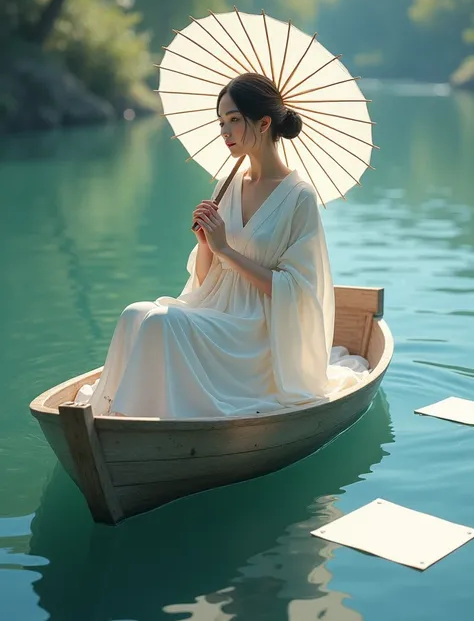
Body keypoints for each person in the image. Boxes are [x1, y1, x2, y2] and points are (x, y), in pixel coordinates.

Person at [77, 73, 369, 418]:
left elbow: (298, 290)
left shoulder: (299, 197)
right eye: (221, 122)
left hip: (257, 329)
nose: (224, 132)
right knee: (135, 315)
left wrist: (227, 249)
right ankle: (113, 413)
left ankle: (140, 422)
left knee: (161, 324)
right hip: (216, 307)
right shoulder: (225, 184)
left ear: (262, 123)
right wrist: (206, 244)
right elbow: (204, 279)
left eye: (233, 120)